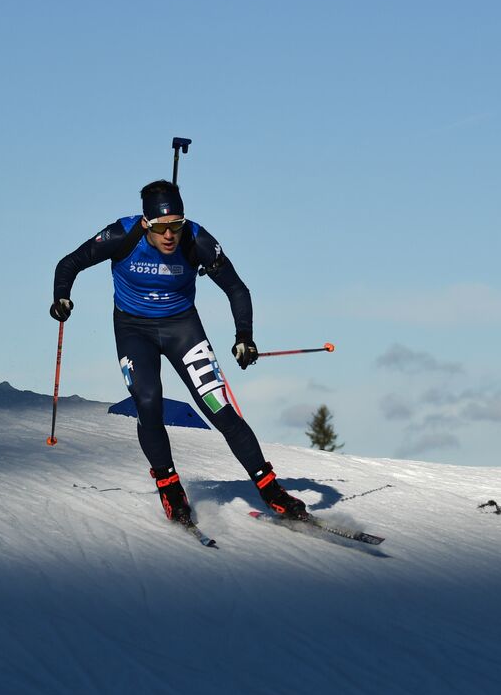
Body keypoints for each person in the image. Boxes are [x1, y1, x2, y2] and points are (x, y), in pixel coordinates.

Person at [50, 180, 308, 525]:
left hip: (182, 328)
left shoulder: (197, 240)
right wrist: (62, 297)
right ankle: (170, 486)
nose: (170, 235)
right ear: (146, 224)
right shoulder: (121, 235)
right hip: (133, 330)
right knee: (148, 401)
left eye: (176, 226)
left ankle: (270, 489)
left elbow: (236, 288)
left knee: (219, 407)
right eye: (162, 228)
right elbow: (69, 263)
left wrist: (244, 336)